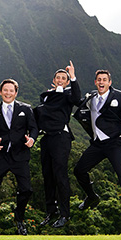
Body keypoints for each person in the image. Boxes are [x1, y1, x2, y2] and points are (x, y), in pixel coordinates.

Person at [73, 69, 121, 229]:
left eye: (104, 79)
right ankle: (91, 196)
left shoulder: (120, 96)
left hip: (114, 143)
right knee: (79, 170)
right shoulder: (91, 97)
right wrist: (73, 78)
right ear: (95, 82)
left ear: (109, 82)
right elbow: (77, 100)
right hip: (97, 144)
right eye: (99, 79)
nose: (101, 82)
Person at [0, 78, 38, 235]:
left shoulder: (26, 109)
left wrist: (32, 139)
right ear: (0, 92)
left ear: (16, 93)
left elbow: (34, 128)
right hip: (1, 155)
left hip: (20, 155)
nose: (8, 93)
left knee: (27, 190)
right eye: (5, 90)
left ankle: (19, 218)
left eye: (11, 90)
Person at [33, 61, 82, 228]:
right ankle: (51, 211)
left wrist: (73, 76)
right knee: (47, 175)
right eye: (58, 77)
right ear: (53, 80)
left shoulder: (68, 95)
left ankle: (65, 214)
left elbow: (77, 99)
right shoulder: (45, 96)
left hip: (61, 138)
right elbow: (42, 113)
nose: (61, 80)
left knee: (60, 175)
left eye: (64, 78)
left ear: (67, 82)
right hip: (46, 138)